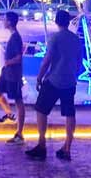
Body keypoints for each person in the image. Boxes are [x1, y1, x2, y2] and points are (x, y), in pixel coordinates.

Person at [26, 9, 82, 161]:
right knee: (70, 114)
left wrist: (39, 78)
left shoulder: (55, 38)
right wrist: (73, 76)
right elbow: (79, 61)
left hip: (54, 80)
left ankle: (42, 144)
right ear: (68, 22)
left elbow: (47, 60)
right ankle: (67, 148)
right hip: (69, 81)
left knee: (41, 109)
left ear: (56, 21)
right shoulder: (76, 39)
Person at [0, 12, 25, 144]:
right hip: (7, 73)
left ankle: (19, 133)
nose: (3, 22)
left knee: (18, 100)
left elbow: (19, 57)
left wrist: (8, 62)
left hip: (13, 74)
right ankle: (9, 114)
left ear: (10, 22)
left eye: (5, 20)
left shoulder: (16, 38)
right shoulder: (14, 37)